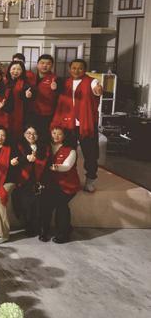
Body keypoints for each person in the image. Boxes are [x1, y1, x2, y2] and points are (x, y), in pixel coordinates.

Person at [51, 59, 103, 192]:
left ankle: (90, 180)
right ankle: (70, 179)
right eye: (74, 68)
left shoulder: (92, 81)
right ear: (69, 69)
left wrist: (98, 90)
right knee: (69, 153)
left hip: (86, 124)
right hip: (68, 125)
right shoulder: (65, 82)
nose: (76, 70)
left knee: (90, 155)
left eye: (80, 68)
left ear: (85, 70)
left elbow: (97, 90)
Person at [40, 126, 81, 243]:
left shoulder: (71, 150)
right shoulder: (45, 147)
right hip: (52, 184)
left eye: (59, 134)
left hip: (68, 185)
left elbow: (67, 166)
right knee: (45, 203)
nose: (56, 136)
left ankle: (63, 234)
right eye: (54, 133)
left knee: (61, 204)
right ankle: (44, 231)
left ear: (64, 136)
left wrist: (57, 167)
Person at [12, 125, 50, 238]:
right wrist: (26, 159)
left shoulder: (44, 147)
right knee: (26, 204)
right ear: (24, 135)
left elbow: (47, 163)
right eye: (28, 133)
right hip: (24, 180)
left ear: (38, 136)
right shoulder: (19, 146)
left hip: (40, 179)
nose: (31, 136)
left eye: (34, 133)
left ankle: (41, 228)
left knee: (40, 204)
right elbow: (15, 161)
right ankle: (29, 227)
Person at [31, 54, 60, 137]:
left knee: (44, 136)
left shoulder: (56, 79)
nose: (44, 66)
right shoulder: (31, 77)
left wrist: (56, 89)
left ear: (52, 66)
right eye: (42, 63)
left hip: (47, 115)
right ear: (37, 64)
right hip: (31, 113)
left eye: (48, 64)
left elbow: (60, 95)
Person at [6, 61, 34, 142]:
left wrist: (28, 96)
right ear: (9, 70)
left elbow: (30, 97)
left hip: (19, 113)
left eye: (18, 69)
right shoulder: (4, 81)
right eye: (13, 69)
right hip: (5, 112)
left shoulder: (26, 83)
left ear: (22, 71)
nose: (15, 71)